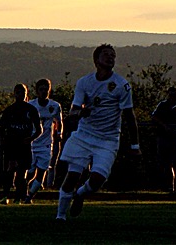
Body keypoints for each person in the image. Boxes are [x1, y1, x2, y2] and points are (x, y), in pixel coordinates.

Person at [56, 44, 140, 221]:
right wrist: (80, 114)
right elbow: (73, 113)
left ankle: (81, 193)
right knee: (72, 175)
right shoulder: (84, 82)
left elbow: (129, 115)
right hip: (84, 135)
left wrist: (135, 145)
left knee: (97, 180)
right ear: (96, 60)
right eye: (106, 54)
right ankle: (60, 216)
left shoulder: (121, 85)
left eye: (113, 55)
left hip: (108, 139)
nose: (110, 58)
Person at [0, 83, 43, 205]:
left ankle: (19, 197)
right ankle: (5, 195)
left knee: (22, 172)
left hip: (24, 145)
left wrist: (31, 138)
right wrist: (2, 141)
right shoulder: (9, 110)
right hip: (11, 144)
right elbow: (1, 129)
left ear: (26, 93)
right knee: (10, 169)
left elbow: (39, 129)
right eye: (18, 92)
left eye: (22, 92)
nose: (20, 95)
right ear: (14, 94)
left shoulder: (31, 110)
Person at [24, 78, 62, 203]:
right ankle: (23, 190)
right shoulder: (31, 106)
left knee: (41, 172)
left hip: (46, 144)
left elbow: (59, 122)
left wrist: (58, 133)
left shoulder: (55, 106)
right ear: (37, 91)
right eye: (41, 89)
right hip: (32, 144)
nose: (44, 92)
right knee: (29, 172)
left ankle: (29, 197)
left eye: (46, 89)